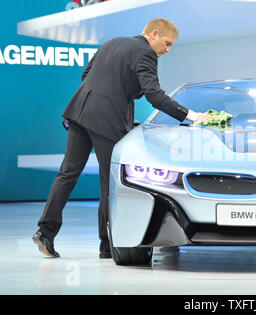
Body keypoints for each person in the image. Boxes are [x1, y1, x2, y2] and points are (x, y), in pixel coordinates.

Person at [32, 18, 213, 259]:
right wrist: (192, 115)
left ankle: (45, 232)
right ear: (154, 34)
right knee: (110, 184)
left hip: (79, 112)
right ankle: (108, 245)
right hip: (108, 121)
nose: (167, 49)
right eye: (167, 43)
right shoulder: (146, 53)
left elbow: (86, 74)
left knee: (67, 174)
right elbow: (155, 96)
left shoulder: (111, 43)